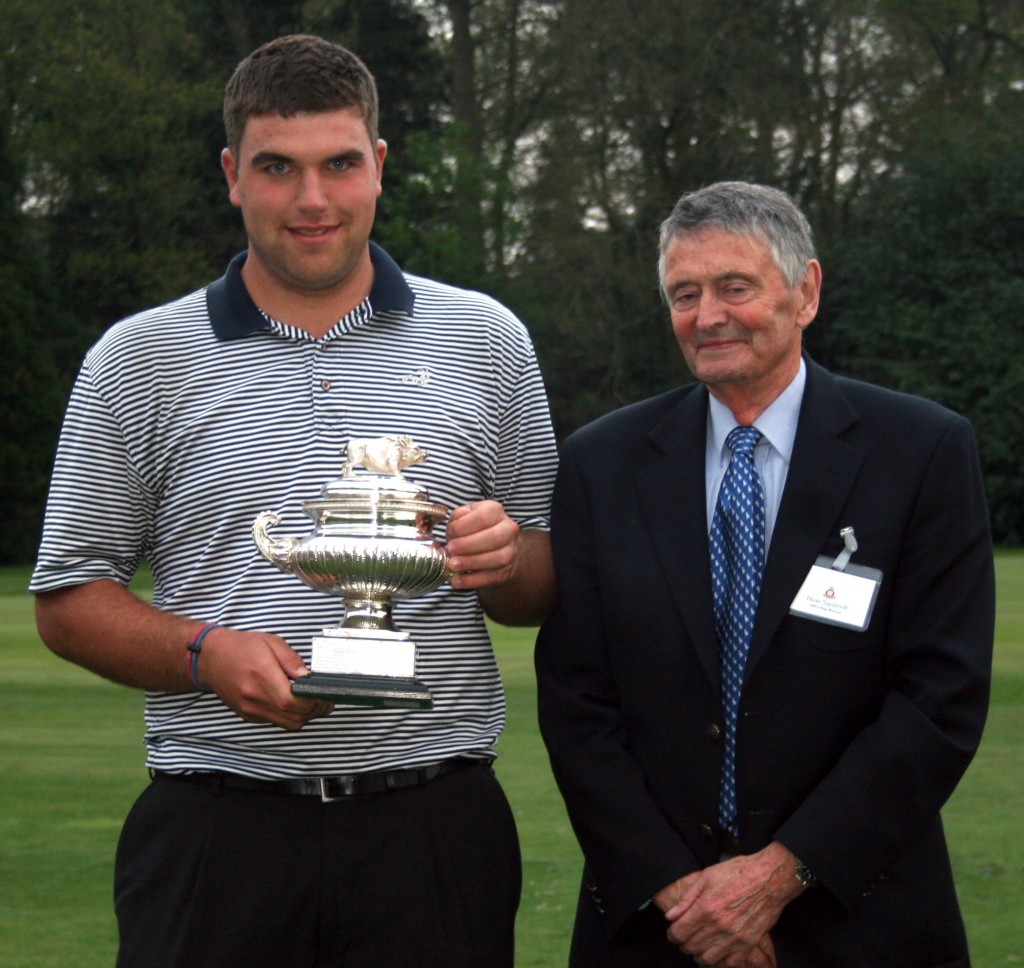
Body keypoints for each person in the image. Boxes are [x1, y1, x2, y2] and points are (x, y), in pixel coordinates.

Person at [31, 34, 557, 968]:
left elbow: (541, 584)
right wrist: (201, 654)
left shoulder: (487, 338)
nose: (312, 200)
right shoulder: (137, 358)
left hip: (433, 826)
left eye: (339, 164)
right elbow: (70, 596)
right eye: (278, 167)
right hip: (215, 826)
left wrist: (508, 558)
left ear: (379, 166)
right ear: (233, 174)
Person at [534, 181, 994, 967]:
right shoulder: (601, 464)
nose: (707, 315)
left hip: (858, 921)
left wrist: (777, 878)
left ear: (805, 291)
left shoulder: (920, 453)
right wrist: (688, 896)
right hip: (657, 929)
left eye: (733, 287)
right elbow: (577, 701)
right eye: (685, 293)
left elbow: (938, 700)